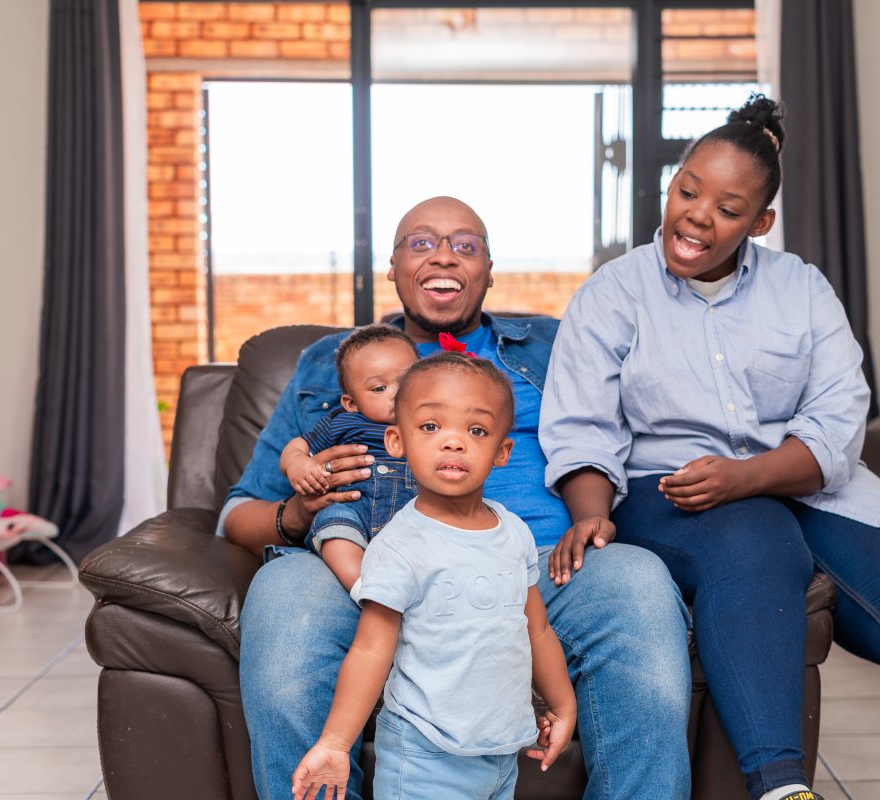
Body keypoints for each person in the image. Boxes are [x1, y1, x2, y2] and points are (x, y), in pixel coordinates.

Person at [540, 95, 880, 800]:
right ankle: (781, 786)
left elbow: (840, 413)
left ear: (760, 222)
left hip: (812, 482)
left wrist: (750, 475)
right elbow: (581, 427)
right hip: (673, 489)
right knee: (757, 539)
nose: (696, 215)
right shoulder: (613, 294)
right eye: (688, 190)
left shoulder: (802, 288)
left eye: (727, 207)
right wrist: (591, 511)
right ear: (672, 184)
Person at [221, 196, 693, 800]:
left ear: (490, 270)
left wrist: (594, 515)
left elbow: (626, 429)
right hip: (366, 578)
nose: (443, 254)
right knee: (285, 591)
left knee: (636, 579)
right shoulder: (332, 362)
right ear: (391, 268)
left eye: (464, 245)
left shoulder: (551, 346)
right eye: (421, 243)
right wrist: (299, 512)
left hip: (534, 571)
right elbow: (238, 513)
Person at [291, 353, 576, 800]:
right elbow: (370, 650)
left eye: (476, 430)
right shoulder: (401, 545)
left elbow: (536, 629)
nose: (453, 442)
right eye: (430, 427)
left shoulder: (514, 532)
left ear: (502, 452)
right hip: (425, 757)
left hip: (500, 751)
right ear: (396, 441)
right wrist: (336, 743)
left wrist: (562, 706)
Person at [280, 324, 418, 600]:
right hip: (355, 508)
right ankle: (365, 590)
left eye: (407, 382)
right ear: (351, 403)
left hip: (414, 517)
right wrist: (297, 463)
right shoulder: (342, 422)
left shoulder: (429, 423)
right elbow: (297, 446)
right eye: (379, 388)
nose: (396, 393)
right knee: (334, 530)